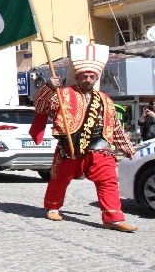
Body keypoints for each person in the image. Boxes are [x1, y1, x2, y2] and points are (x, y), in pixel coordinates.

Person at [32, 43, 137, 233]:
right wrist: (48, 87)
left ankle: (113, 218)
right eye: (84, 76)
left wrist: (128, 148)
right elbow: (40, 107)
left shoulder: (105, 99)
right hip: (70, 147)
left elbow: (115, 127)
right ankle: (53, 206)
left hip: (100, 147)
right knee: (59, 179)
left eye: (92, 76)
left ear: (96, 78)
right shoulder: (62, 95)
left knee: (108, 181)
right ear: (77, 77)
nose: (88, 79)